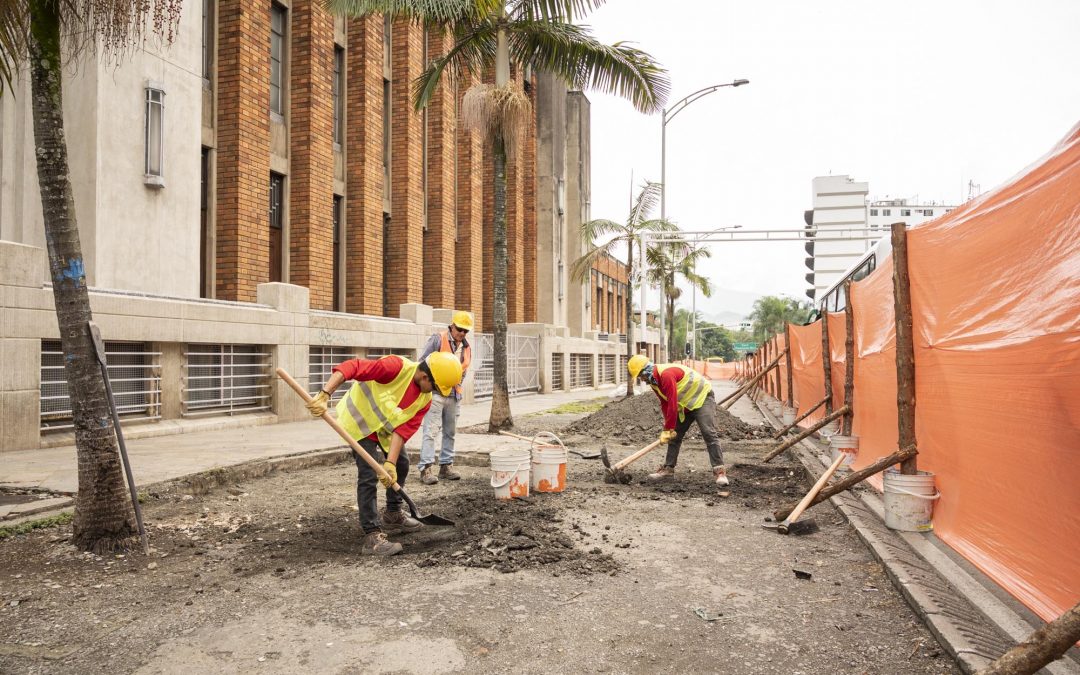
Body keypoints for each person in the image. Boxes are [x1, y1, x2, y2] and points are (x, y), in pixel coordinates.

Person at [306, 351, 463, 556]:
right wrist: (325, 394)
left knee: (402, 464)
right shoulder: (395, 368)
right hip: (358, 424)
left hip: (383, 431)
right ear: (425, 377)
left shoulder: (424, 400)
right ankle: (371, 536)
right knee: (369, 474)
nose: (433, 392)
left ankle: (393, 513)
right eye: (434, 387)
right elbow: (351, 367)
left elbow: (401, 431)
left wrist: (390, 463)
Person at [626, 354, 730, 486]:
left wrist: (668, 429)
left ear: (646, 371)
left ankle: (720, 472)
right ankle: (668, 470)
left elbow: (672, 404)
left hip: (702, 398)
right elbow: (665, 403)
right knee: (674, 436)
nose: (642, 379)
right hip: (686, 404)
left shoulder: (666, 375)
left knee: (708, 432)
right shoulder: (654, 382)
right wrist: (668, 430)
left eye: (641, 376)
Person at [417, 310, 473, 485]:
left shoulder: (466, 347)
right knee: (431, 431)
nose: (462, 333)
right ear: (452, 326)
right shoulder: (437, 339)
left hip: (454, 394)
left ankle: (446, 466)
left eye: (466, 331)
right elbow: (423, 362)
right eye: (460, 329)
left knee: (450, 432)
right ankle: (426, 468)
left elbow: (463, 369)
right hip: (436, 393)